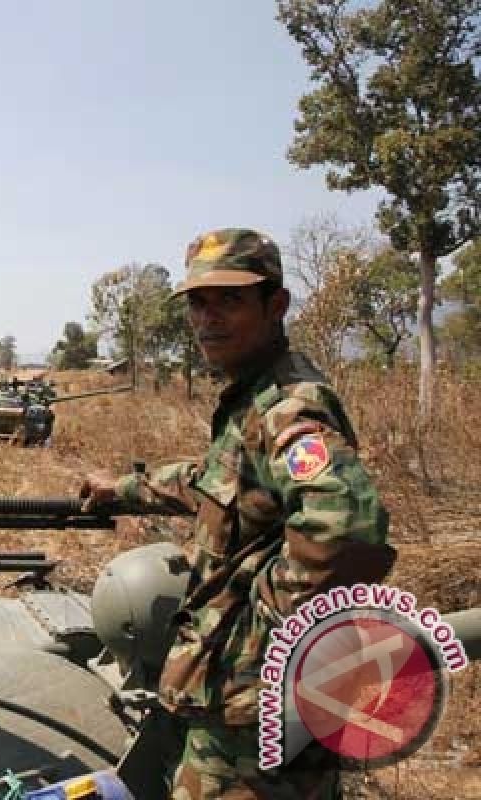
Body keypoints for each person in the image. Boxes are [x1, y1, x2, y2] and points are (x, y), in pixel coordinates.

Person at [77, 228, 395, 799]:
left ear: (276, 305)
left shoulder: (291, 406)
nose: (209, 318)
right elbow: (214, 485)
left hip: (254, 713)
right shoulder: (253, 398)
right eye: (199, 302)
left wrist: (260, 631)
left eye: (231, 299)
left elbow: (348, 535)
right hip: (236, 707)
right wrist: (119, 488)